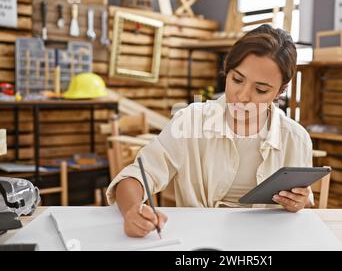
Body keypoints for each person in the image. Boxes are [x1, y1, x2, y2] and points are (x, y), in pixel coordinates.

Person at [106, 24, 314, 238]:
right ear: (227, 71)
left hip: (267, 244)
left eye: (260, 89)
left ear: (281, 91)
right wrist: (133, 211)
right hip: (199, 240)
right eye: (237, 79)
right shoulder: (190, 122)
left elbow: (303, 203)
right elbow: (136, 176)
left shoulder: (296, 139)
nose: (242, 96)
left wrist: (300, 201)